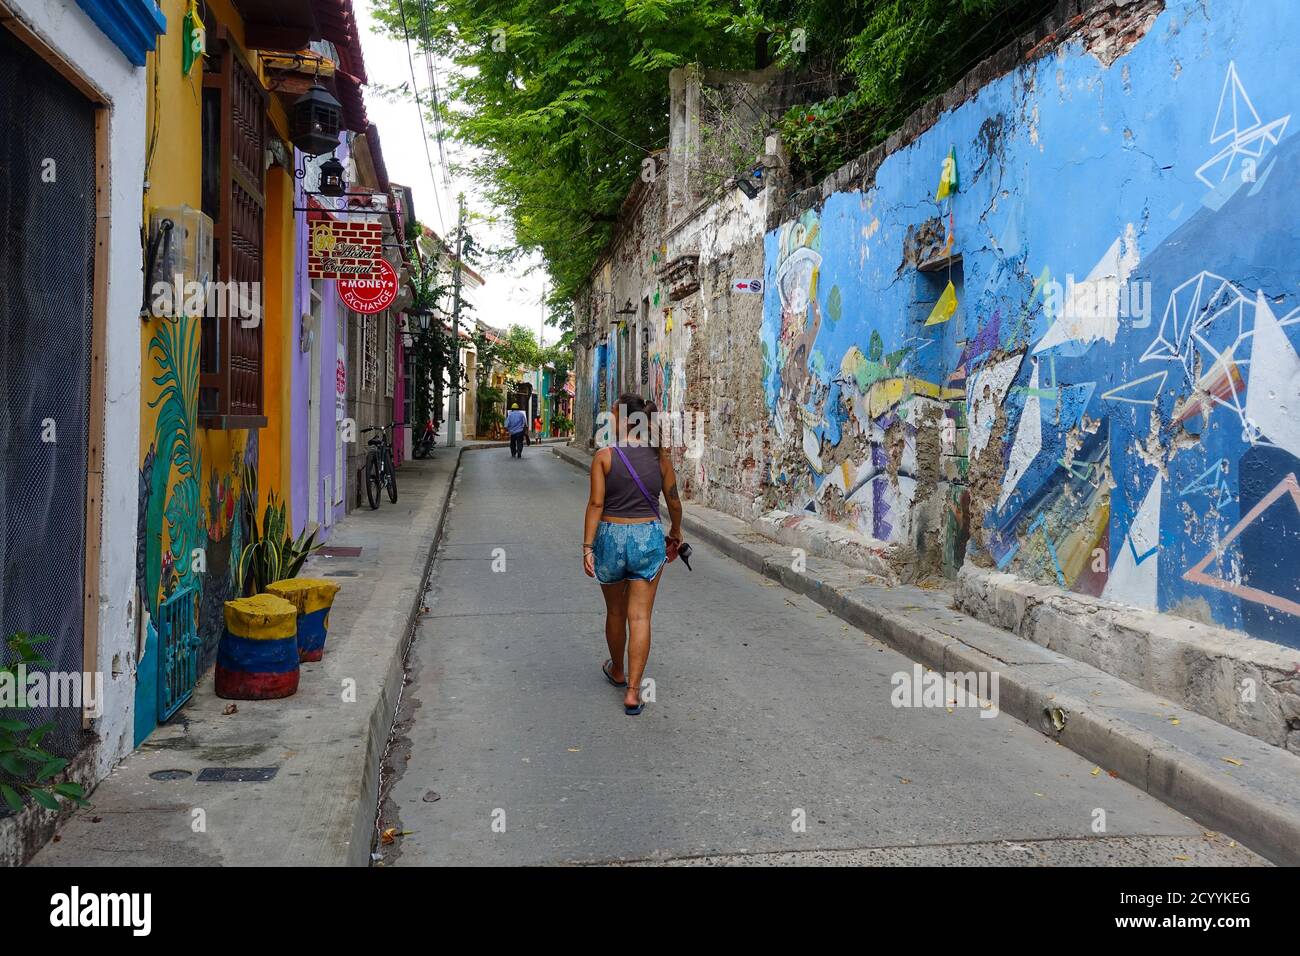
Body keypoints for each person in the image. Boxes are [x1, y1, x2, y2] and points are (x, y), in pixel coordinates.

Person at [582, 394, 683, 715]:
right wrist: (676, 532)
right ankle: (633, 692)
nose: (609, 422)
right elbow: (674, 502)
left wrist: (587, 546)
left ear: (625, 420)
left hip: (610, 537)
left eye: (612, 416)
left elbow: (596, 504)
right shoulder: (660, 459)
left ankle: (617, 670)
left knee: (615, 612)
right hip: (647, 537)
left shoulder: (604, 457)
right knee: (640, 616)